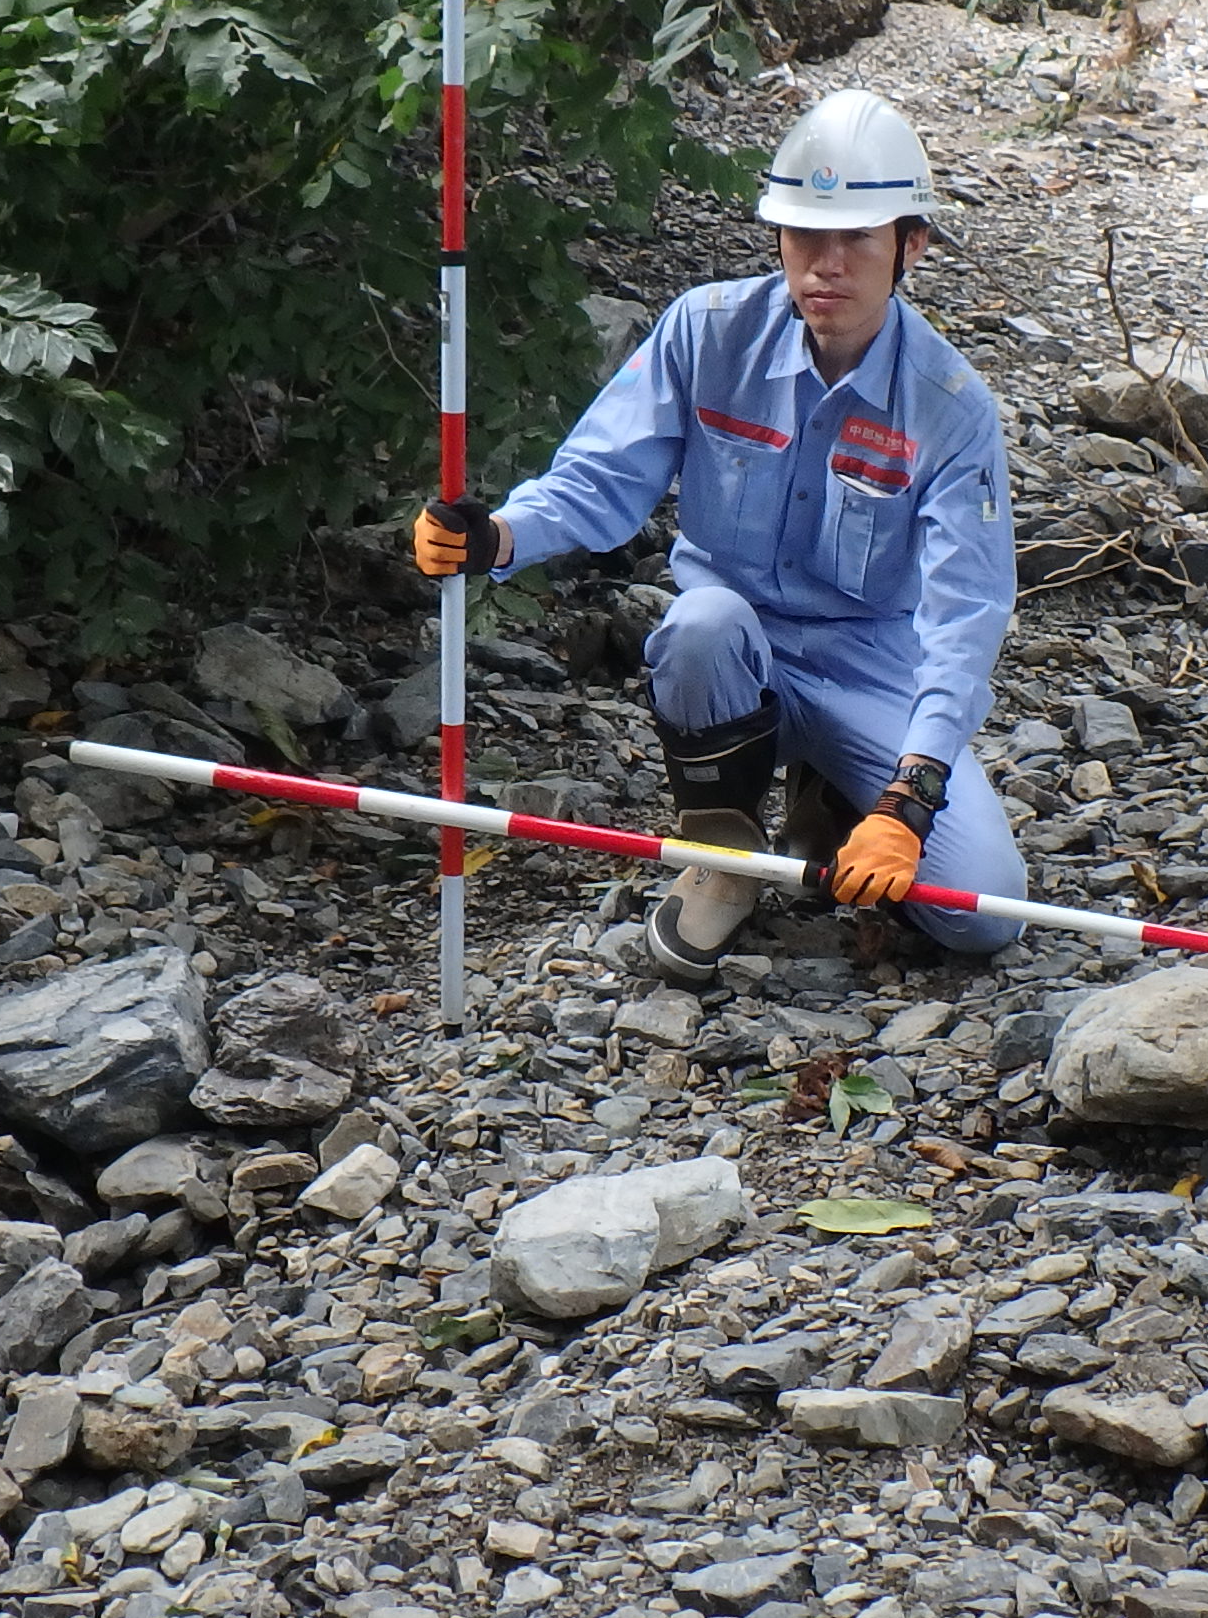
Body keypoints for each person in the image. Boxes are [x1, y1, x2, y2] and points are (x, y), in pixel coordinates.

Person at [412, 89, 1027, 983]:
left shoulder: (952, 410)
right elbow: (600, 477)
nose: (827, 264)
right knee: (700, 622)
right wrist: (498, 536)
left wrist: (911, 796)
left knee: (981, 916)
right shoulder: (705, 332)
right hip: (732, 654)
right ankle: (723, 853)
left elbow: (964, 618)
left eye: (856, 238)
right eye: (804, 235)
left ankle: (839, 795)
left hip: (873, 670)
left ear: (911, 245)